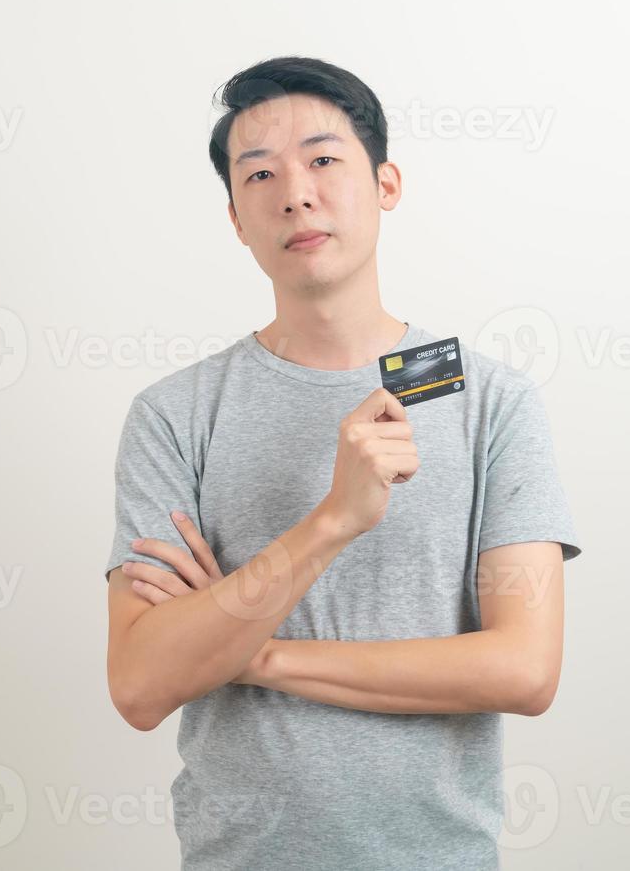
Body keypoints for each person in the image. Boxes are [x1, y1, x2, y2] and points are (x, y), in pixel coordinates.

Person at [104, 55, 581, 870]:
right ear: (236, 219)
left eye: (324, 160)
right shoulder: (174, 416)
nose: (295, 192)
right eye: (259, 174)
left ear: (386, 184)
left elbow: (524, 668)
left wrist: (245, 652)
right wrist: (333, 521)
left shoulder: (492, 401)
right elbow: (143, 685)